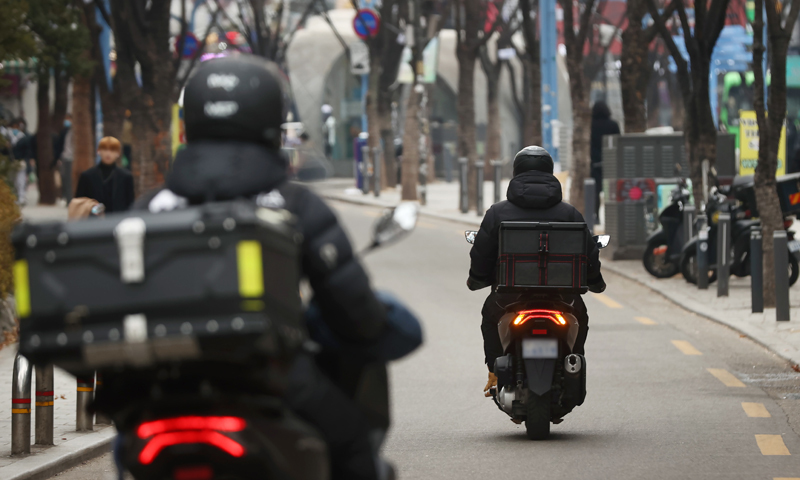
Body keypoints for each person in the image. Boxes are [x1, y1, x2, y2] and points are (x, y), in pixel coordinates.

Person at [135, 55, 391, 480]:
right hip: (273, 379)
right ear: (271, 125)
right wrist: (372, 327)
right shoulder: (294, 204)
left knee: (126, 450)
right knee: (352, 444)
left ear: (189, 124)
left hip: (163, 388)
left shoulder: (151, 206)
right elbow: (351, 306)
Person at [467, 146, 605, 395]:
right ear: (549, 172)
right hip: (563, 297)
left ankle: (495, 372)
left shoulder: (497, 212)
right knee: (581, 317)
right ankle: (573, 366)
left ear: (516, 172)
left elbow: (482, 253)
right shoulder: (569, 213)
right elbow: (589, 254)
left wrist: (477, 279)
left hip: (509, 296)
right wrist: (595, 281)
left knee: (490, 317)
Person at [73, 136, 135, 213]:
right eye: (105, 149)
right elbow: (79, 204)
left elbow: (131, 205)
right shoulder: (87, 176)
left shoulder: (126, 177)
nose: (108, 153)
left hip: (119, 218)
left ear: (118, 153)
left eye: (112, 150)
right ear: (98, 151)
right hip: (93, 219)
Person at [590, 101, 620, 221]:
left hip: (594, 162)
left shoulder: (591, 125)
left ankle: (596, 216)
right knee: (611, 189)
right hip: (610, 162)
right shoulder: (613, 125)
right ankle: (611, 216)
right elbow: (618, 143)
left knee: (595, 191)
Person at [54, 114, 74, 203]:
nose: (67, 121)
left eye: (69, 119)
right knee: (65, 179)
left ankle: (70, 198)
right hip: (65, 158)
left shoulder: (76, 132)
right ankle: (67, 198)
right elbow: (60, 145)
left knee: (70, 180)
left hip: (73, 158)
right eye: (66, 119)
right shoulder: (64, 131)